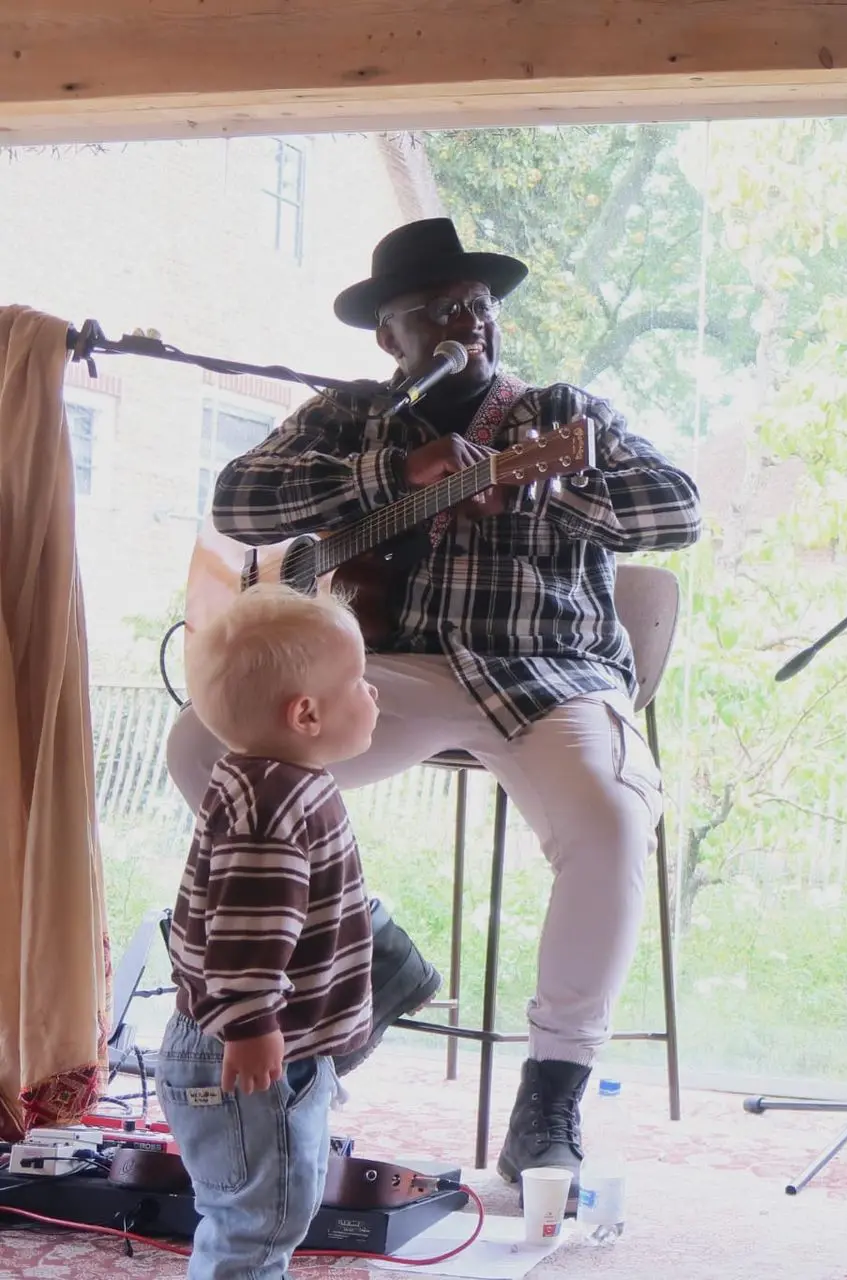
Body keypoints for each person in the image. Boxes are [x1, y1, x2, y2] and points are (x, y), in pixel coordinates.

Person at [166, 218, 702, 1199]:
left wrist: (553, 489)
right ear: (391, 335)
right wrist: (390, 476)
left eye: (478, 305)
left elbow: (679, 508)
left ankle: (551, 1096)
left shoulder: (561, 412)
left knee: (612, 821)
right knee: (205, 743)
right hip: (391, 672)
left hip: (548, 670)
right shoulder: (350, 415)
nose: (469, 322)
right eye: (440, 310)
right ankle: (368, 943)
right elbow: (240, 501)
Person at [156, 585, 378, 1279]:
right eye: (358, 682)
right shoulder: (273, 806)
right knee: (259, 1223)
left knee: (264, 1210)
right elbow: (245, 931)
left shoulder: (272, 779)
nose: (373, 694)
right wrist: (251, 1024)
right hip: (246, 1051)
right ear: (306, 714)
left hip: (256, 1043)